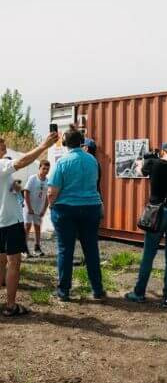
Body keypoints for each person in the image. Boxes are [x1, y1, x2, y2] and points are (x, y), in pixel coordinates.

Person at [124, 141, 167, 308]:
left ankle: (139, 293)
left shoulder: (153, 164)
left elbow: (139, 170)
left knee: (149, 254)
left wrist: (146, 159)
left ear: (162, 151)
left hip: (157, 213)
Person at [0, 132, 57, 317]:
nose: (4, 150)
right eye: (1, 148)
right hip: (9, 222)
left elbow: (8, 188)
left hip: (3, 222)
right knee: (14, 262)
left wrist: (14, 188)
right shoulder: (2, 165)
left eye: (4, 147)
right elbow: (22, 161)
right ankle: (10, 306)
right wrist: (43, 146)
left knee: (1, 262)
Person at [45, 128, 104, 303]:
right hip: (91, 208)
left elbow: (52, 191)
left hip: (66, 210)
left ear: (64, 143)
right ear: (81, 142)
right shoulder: (92, 160)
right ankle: (97, 289)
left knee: (65, 250)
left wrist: (51, 205)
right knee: (91, 249)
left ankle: (64, 291)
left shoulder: (62, 162)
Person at [23, 157, 50, 259]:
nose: (45, 171)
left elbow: (48, 196)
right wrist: (29, 207)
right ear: (39, 168)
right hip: (29, 207)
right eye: (44, 168)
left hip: (39, 208)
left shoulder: (48, 181)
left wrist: (44, 209)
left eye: (47, 169)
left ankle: (37, 247)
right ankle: (24, 248)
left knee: (38, 227)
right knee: (27, 227)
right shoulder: (33, 178)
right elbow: (26, 192)